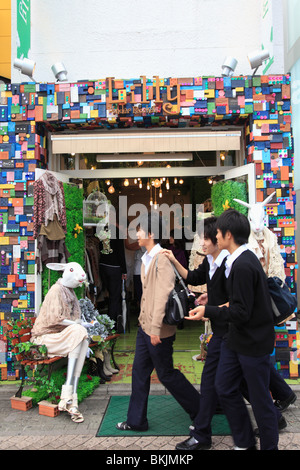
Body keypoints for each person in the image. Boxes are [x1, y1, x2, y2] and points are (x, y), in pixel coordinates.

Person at [185, 209, 279, 450]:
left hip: (252, 343)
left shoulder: (244, 266)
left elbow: (241, 312)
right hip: (235, 340)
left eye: (216, 233)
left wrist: (209, 311)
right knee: (224, 387)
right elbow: (237, 305)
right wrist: (212, 303)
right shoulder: (235, 262)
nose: (214, 237)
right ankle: (245, 442)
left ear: (227, 235)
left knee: (260, 402)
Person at [116, 211, 200, 431]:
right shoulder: (147, 257)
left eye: (140, 229)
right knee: (139, 372)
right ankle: (136, 421)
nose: (137, 234)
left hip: (158, 331)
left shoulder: (161, 258)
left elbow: (162, 295)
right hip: (146, 329)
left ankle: (200, 410)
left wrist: (154, 330)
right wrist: (146, 327)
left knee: (166, 374)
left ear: (151, 233)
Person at [163, 216, 229, 450]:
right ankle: (270, 418)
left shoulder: (230, 263)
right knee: (227, 381)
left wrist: (208, 308)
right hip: (222, 331)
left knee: (215, 380)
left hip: (231, 333)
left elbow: (237, 302)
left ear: (219, 238)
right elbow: (193, 277)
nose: (200, 243)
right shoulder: (211, 261)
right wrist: (172, 258)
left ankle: (203, 434)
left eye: (205, 238)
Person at [99, 209, 127, 331]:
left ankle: (104, 323)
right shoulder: (117, 231)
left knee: (103, 295)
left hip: (102, 265)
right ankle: (112, 324)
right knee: (115, 296)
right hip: (115, 267)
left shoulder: (101, 230)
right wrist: (124, 270)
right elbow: (121, 252)